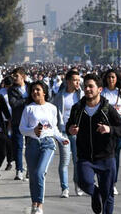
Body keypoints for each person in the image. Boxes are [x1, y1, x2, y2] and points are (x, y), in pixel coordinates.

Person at [66, 74, 121, 214]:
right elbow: (69, 126)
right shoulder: (77, 108)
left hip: (106, 157)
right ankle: (95, 194)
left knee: (108, 194)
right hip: (85, 157)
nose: (87, 89)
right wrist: (70, 129)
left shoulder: (108, 109)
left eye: (91, 86)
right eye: (85, 86)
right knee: (84, 182)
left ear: (99, 89)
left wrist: (109, 129)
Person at [20, 81, 69, 214]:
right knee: (33, 176)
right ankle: (34, 204)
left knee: (40, 172)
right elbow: (22, 129)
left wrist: (61, 139)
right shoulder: (28, 108)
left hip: (47, 144)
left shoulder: (52, 108)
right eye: (33, 90)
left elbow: (54, 129)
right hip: (32, 145)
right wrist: (33, 131)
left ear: (44, 92)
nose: (35, 92)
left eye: (38, 90)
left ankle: (40, 206)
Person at [53, 70, 84, 198]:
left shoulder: (81, 95)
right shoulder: (60, 96)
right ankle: (65, 188)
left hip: (77, 131)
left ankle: (78, 184)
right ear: (67, 81)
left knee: (78, 160)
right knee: (64, 161)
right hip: (64, 131)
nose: (77, 82)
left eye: (78, 80)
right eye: (74, 80)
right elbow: (54, 113)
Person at [8, 67, 30, 180]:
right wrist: (26, 100)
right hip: (18, 121)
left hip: (31, 122)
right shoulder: (11, 90)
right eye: (13, 76)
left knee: (31, 147)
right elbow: (13, 103)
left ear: (23, 76)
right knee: (19, 147)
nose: (14, 78)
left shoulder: (31, 87)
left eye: (16, 76)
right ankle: (19, 170)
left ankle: (29, 170)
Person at [0, 76, 14, 171]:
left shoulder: (15, 92)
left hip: (13, 119)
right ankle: (7, 160)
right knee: (4, 141)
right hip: (2, 120)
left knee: (10, 141)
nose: (8, 88)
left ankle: (10, 161)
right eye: (7, 86)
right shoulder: (0, 93)